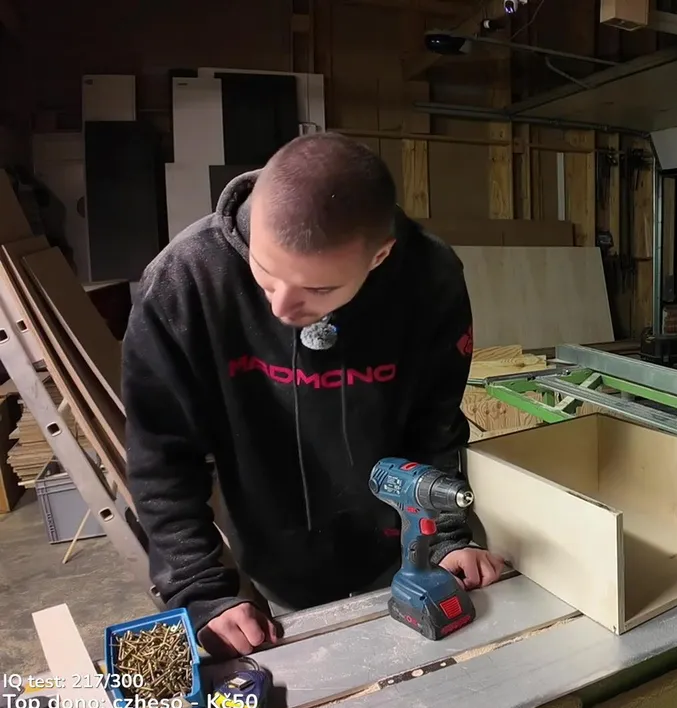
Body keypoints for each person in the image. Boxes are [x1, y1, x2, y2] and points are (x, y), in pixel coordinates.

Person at [123, 132, 506, 658]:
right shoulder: (184, 281)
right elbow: (160, 456)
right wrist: (201, 589)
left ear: (379, 256)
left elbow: (435, 422)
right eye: (265, 272)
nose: (281, 307)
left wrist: (444, 538)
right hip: (272, 551)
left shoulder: (429, 277)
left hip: (400, 545)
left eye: (318, 289)